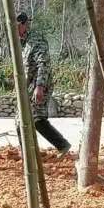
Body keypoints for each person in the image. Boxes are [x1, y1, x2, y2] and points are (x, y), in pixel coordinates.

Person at [16, 12, 71, 154]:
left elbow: (43, 64)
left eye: (16, 26)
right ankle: (28, 155)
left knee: (36, 119)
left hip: (39, 85)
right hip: (27, 87)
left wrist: (39, 87)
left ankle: (61, 145)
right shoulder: (21, 42)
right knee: (20, 120)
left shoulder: (36, 40)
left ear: (23, 25)